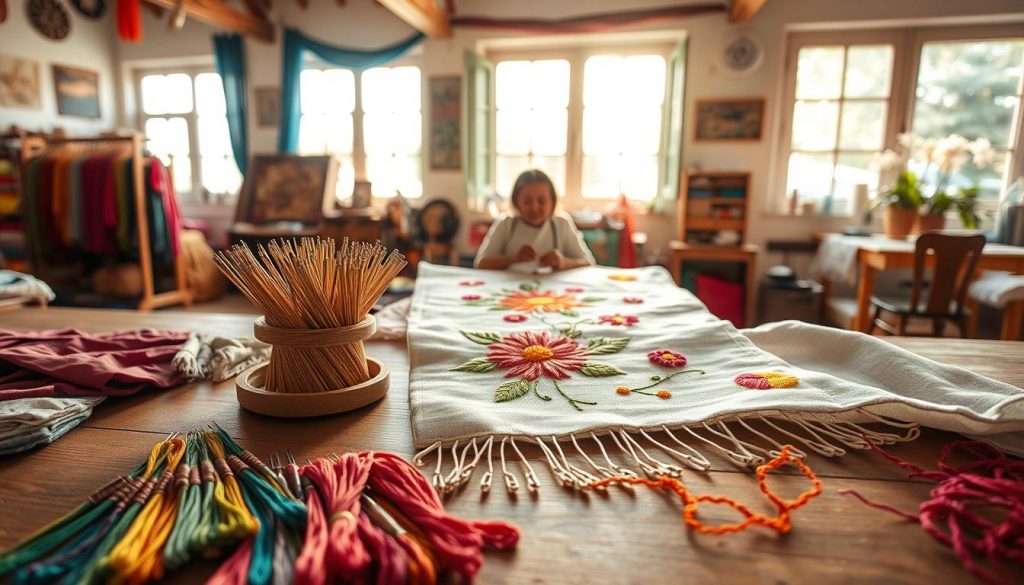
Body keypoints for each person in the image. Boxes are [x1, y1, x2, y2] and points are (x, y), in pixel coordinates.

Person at [474, 169, 595, 271]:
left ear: (552, 202)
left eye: (542, 201)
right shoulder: (506, 223)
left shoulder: (562, 223)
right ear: (517, 202)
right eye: (527, 202)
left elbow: (589, 262)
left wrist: (563, 262)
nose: (535, 208)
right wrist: (514, 258)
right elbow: (480, 263)